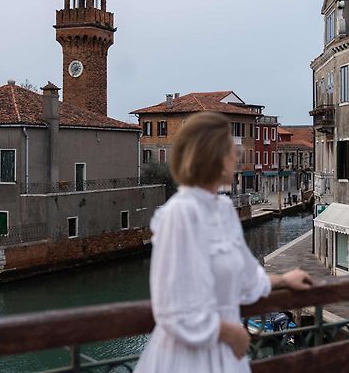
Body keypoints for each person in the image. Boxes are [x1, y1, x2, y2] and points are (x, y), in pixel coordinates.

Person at [134, 112, 312, 373]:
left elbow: (246, 280)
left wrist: (284, 281)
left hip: (225, 355)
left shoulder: (225, 210)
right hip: (186, 359)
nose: (236, 159)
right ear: (211, 157)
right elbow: (169, 307)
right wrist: (227, 332)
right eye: (232, 153)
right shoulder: (179, 214)